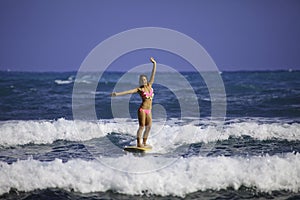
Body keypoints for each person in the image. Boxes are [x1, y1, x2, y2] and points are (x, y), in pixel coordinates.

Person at [111, 57, 157, 147]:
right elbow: (128, 91)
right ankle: (139, 143)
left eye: (144, 79)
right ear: (140, 81)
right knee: (142, 126)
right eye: (142, 80)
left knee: (149, 127)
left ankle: (144, 142)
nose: (143, 81)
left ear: (146, 80)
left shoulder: (150, 85)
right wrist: (117, 94)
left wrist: (154, 63)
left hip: (149, 110)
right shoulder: (139, 89)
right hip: (142, 110)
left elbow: (153, 74)